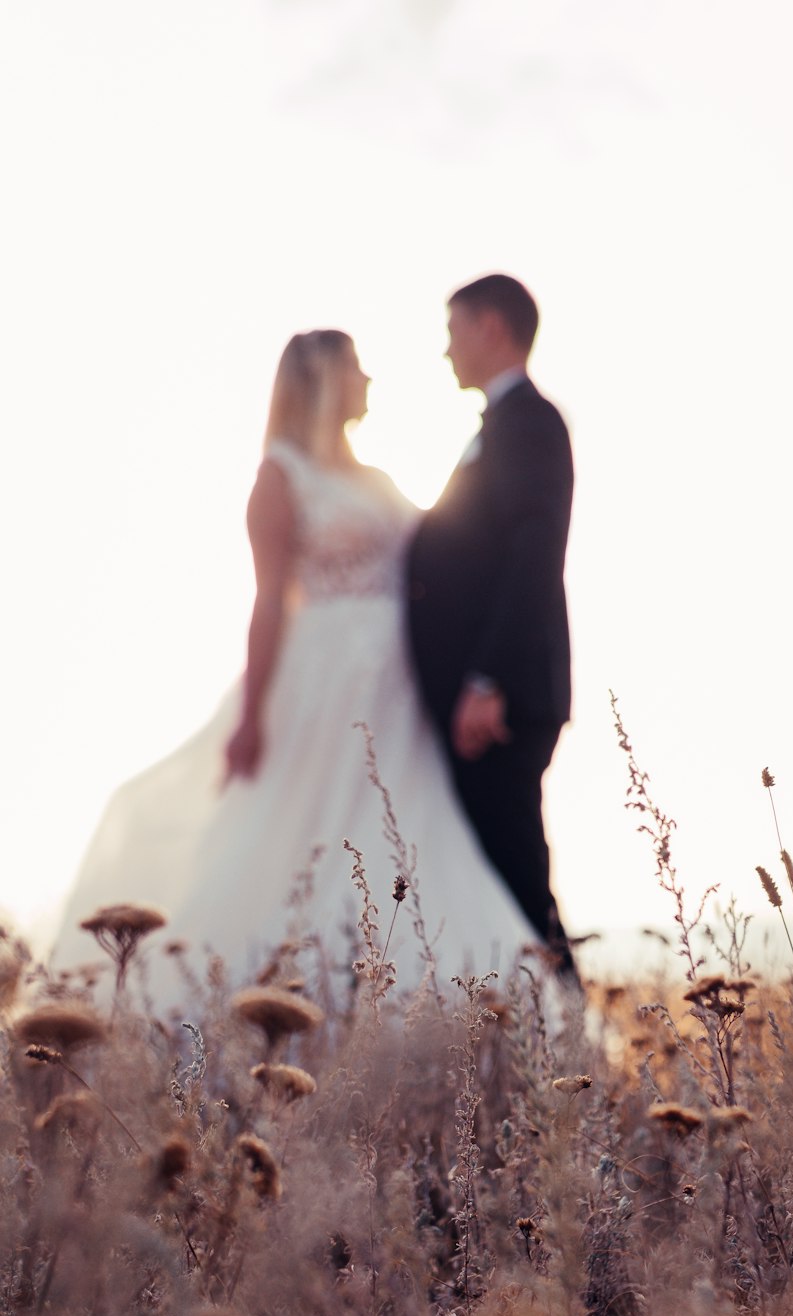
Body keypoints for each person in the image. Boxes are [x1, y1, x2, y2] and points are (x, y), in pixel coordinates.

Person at [50, 330, 536, 1012]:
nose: (368, 380)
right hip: (322, 682)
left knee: (405, 832)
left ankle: (437, 1006)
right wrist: (252, 714)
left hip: (402, 687)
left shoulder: (375, 476)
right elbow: (270, 598)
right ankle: (258, 1006)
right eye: (356, 369)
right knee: (301, 837)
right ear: (324, 381)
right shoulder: (280, 474)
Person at [407, 275, 576, 978]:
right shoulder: (498, 427)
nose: (446, 350)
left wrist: (486, 681)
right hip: (488, 693)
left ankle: (571, 1034)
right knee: (503, 874)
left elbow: (532, 555)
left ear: (492, 328)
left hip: (501, 700)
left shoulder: (531, 423)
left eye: (454, 330)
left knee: (516, 877)